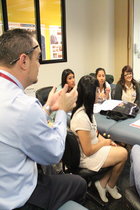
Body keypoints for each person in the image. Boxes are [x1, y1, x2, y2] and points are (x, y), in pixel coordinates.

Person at [0, 29, 86, 210]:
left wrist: (47, 108)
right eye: (38, 58)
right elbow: (53, 153)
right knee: (79, 184)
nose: (39, 65)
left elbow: (17, 125)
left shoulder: (12, 98)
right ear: (24, 60)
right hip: (20, 199)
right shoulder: (23, 105)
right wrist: (62, 110)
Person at [70, 75, 128, 203]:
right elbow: (88, 151)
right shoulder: (81, 117)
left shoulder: (88, 111)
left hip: (93, 148)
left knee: (119, 149)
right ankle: (109, 186)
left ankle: (102, 184)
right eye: (97, 91)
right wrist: (105, 143)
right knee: (123, 153)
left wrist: (107, 142)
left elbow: (95, 133)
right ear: (90, 94)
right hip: (86, 157)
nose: (99, 93)